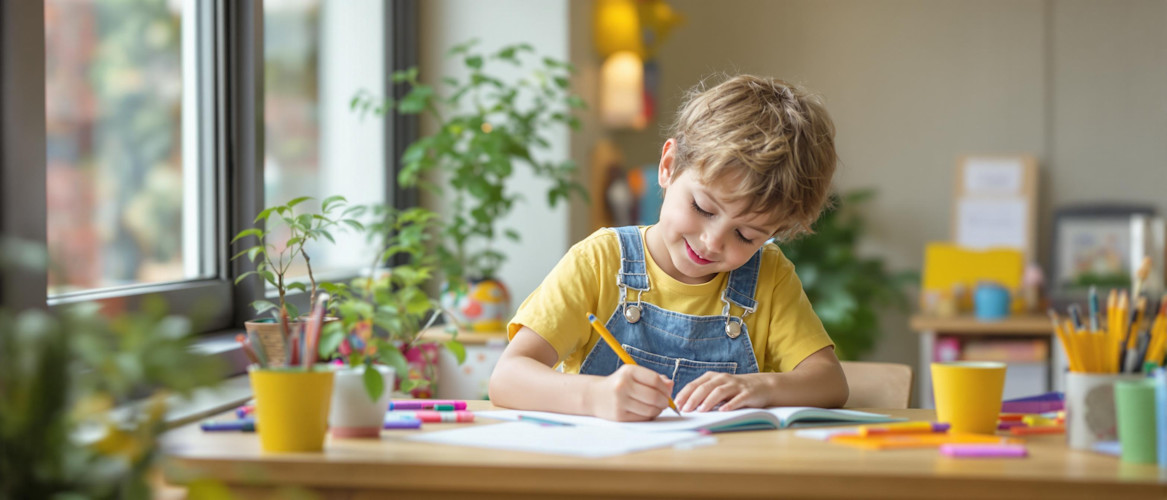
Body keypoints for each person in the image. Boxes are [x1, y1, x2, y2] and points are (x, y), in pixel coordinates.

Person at [488, 75, 848, 421]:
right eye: (703, 209)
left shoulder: (769, 276)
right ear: (668, 166)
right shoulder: (599, 261)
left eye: (746, 235)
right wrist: (594, 396)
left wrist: (762, 386)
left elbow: (830, 381)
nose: (712, 242)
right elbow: (507, 377)